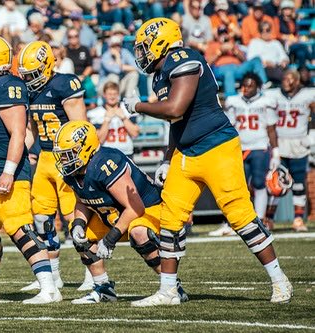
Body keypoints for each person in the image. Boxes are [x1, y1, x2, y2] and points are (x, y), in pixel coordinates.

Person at [123, 17, 292, 306]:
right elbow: (176, 122)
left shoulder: (184, 57)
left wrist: (138, 106)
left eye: (146, 47)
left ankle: (279, 280)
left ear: (162, 42)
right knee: (170, 219)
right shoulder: (160, 74)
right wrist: (167, 158)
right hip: (187, 153)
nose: (142, 53)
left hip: (217, 146)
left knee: (239, 215)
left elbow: (176, 108)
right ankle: (168, 291)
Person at [0, 35, 61, 304]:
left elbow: (18, 133)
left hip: (4, 174)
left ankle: (49, 287)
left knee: (20, 230)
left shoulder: (8, 85)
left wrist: (8, 171)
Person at [53, 121, 188, 304]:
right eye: (62, 155)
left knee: (139, 233)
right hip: (116, 216)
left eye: (69, 154)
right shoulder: (73, 171)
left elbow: (135, 207)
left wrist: (110, 240)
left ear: (85, 147)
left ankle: (173, 287)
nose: (65, 160)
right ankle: (103, 289)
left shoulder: (106, 162)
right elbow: (82, 200)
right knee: (80, 235)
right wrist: (78, 223)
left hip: (148, 210)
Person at [18, 41, 88, 291]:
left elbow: (81, 127)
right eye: (27, 75)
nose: (31, 80)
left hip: (66, 160)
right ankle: (53, 274)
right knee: (41, 219)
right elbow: (32, 132)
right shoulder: (31, 91)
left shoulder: (64, 84)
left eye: (34, 74)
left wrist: (78, 164)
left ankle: (92, 272)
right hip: (46, 158)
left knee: (74, 218)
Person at [210, 73, 279, 236]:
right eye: (243, 85)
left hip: (259, 147)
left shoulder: (266, 102)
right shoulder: (234, 102)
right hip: (239, 148)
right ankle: (232, 222)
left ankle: (260, 220)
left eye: (250, 86)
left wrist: (276, 152)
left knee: (259, 183)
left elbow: (271, 128)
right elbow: (230, 125)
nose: (245, 89)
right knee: (236, 186)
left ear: (258, 87)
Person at [264, 70, 315, 232]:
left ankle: (298, 219)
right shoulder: (274, 95)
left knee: (299, 183)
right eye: (284, 78)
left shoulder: (308, 95)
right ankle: (269, 219)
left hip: (299, 143)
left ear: (298, 81)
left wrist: (311, 136)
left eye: (289, 78)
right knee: (275, 184)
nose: (286, 81)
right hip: (280, 143)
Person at [205, 26, 268, 97]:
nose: (223, 36)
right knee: (229, 71)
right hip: (220, 69)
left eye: (225, 33)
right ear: (217, 36)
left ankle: (264, 86)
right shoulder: (212, 45)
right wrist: (220, 51)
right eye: (221, 34)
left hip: (238, 69)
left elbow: (244, 60)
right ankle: (231, 98)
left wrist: (235, 51)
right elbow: (207, 63)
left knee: (256, 59)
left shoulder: (233, 44)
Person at [87, 81, 139, 158]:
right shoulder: (96, 113)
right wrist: (107, 120)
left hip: (126, 153)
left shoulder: (126, 109)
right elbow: (99, 140)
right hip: (106, 154)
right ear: (104, 95)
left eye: (115, 94)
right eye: (109, 94)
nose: (112, 97)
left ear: (118, 95)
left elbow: (135, 133)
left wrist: (124, 118)